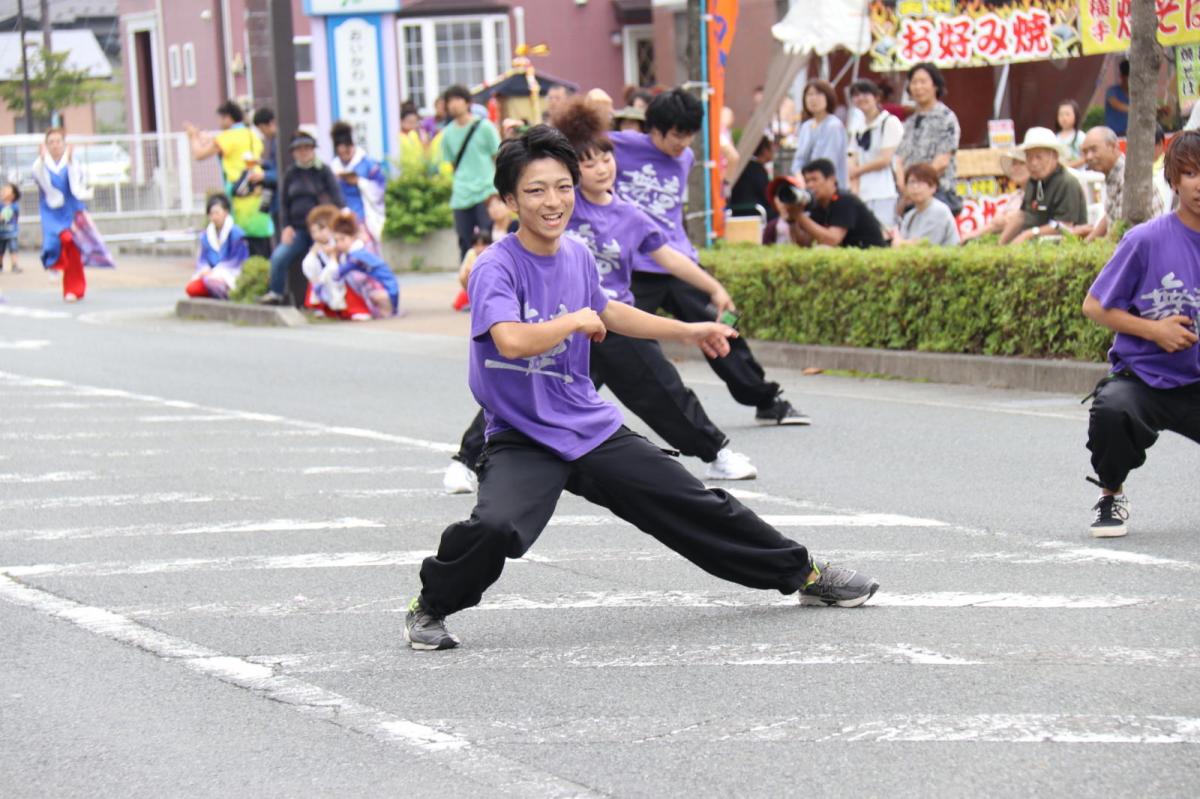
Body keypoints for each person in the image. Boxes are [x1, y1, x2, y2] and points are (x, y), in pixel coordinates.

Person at [404, 125, 880, 651]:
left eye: (563, 186)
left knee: (695, 503)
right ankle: (430, 606)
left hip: (589, 427)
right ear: (510, 198)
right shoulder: (497, 266)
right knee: (495, 528)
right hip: (522, 436)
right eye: (536, 190)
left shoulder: (578, 255)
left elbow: (612, 313)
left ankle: (807, 574)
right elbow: (511, 340)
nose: (553, 201)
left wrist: (690, 330)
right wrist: (574, 321)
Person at [609, 88, 811, 426]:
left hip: (678, 262)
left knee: (724, 326)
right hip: (635, 266)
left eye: (690, 135)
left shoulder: (685, 158)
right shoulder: (619, 146)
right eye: (677, 134)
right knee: (613, 337)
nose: (684, 143)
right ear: (654, 128)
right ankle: (558, 409)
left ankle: (766, 399)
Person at [1080, 129, 1200, 537]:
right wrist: (1154, 331)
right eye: (1190, 173)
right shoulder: (1145, 240)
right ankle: (1111, 494)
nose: (1199, 184)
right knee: (1112, 410)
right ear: (1173, 181)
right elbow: (1094, 305)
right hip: (1144, 381)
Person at [259, 131, 345, 306]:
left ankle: (327, 300)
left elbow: (337, 199)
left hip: (322, 229)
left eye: (307, 148)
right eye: (299, 149)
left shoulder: (323, 171)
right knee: (279, 256)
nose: (304, 152)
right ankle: (276, 292)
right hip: (298, 228)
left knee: (326, 262)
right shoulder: (291, 174)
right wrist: (286, 226)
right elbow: (284, 203)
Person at [31, 128, 113, 302]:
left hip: (71, 209)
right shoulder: (40, 164)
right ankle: (54, 264)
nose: (55, 145)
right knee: (59, 241)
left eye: (58, 141)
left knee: (73, 247)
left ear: (64, 144)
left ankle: (74, 289)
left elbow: (77, 184)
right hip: (52, 212)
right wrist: (41, 159)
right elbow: (39, 179)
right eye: (51, 142)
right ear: (46, 145)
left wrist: (70, 163)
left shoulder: (72, 162)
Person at [185, 101, 274, 258]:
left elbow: (199, 154)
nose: (219, 123)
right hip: (260, 192)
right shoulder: (252, 135)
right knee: (263, 244)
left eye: (221, 118)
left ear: (228, 118)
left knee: (242, 242)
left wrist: (192, 137)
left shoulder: (227, 137)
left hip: (241, 195)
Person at [438, 85, 502, 259]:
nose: (453, 105)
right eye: (449, 101)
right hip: (461, 194)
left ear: (467, 102)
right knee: (465, 242)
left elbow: (498, 156)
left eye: (457, 99)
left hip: (486, 191)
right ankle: (467, 282)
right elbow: (450, 162)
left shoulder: (485, 127)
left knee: (488, 238)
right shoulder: (448, 133)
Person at [1075, 125, 1165, 241]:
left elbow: (1121, 232)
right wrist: (1088, 241)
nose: (1089, 157)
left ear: (1113, 146)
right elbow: (1110, 216)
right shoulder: (1114, 174)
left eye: (1093, 150)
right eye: (1085, 152)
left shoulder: (1129, 179)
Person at [999, 127, 1087, 245]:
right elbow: (1022, 215)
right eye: (1029, 157)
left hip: (1061, 245)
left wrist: (1029, 234)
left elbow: (1064, 225)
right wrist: (1000, 245)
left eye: (1039, 157)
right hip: (1034, 243)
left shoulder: (1067, 183)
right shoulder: (1033, 180)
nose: (1033, 163)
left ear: (1054, 156)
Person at [895, 62, 961, 215]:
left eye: (923, 81)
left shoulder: (946, 118)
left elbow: (942, 161)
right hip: (909, 196)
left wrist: (917, 185)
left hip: (937, 192)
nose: (918, 87)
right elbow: (899, 159)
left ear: (935, 86)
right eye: (914, 82)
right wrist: (905, 187)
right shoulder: (909, 123)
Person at [782, 159, 887, 249]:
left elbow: (832, 239)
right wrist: (792, 220)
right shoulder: (819, 205)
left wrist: (800, 216)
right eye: (807, 181)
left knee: (822, 250)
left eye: (814, 179)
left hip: (869, 253)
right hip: (850, 256)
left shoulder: (845, 200)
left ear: (832, 180)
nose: (810, 185)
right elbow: (805, 243)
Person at [847, 79, 904, 230]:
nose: (861, 98)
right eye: (856, 95)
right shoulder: (857, 127)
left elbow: (885, 159)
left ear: (876, 97)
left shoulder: (889, 122)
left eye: (865, 93)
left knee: (884, 232)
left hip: (884, 191)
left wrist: (857, 170)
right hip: (863, 192)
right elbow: (852, 155)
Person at [329, 209, 400, 319]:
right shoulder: (356, 251)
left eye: (342, 239)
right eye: (336, 240)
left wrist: (333, 262)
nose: (339, 244)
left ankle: (387, 309)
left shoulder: (357, 255)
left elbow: (339, 273)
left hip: (386, 290)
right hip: (385, 288)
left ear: (353, 237)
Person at [329, 121, 388, 251]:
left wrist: (359, 181)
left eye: (347, 151)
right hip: (342, 216)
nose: (344, 156)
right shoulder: (333, 167)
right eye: (341, 153)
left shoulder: (368, 164)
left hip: (364, 215)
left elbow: (381, 189)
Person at [960, 149, 1029, 244]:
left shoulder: (1038, 194)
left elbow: (1004, 222)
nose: (1016, 168)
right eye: (1014, 164)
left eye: (1022, 164)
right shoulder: (1015, 196)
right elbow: (997, 222)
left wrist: (972, 235)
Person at [186, 194, 248, 299]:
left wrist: (217, 271)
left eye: (217, 213)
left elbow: (237, 260)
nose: (214, 217)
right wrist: (205, 269)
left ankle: (228, 294)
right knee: (192, 288)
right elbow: (203, 259)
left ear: (226, 212)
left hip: (230, 273)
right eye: (211, 214)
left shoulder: (236, 234)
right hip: (210, 273)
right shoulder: (206, 236)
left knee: (213, 281)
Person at [789, 80, 849, 188]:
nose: (813, 99)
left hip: (829, 188)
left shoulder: (833, 126)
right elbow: (798, 160)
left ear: (828, 97)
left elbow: (828, 163)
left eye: (818, 94)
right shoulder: (806, 127)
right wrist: (800, 178)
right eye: (809, 94)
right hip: (808, 186)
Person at [893, 163, 960, 247]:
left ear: (933, 187)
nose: (915, 187)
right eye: (911, 182)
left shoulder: (939, 211)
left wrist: (901, 242)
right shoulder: (910, 215)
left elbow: (926, 244)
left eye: (920, 182)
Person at [300, 204, 346, 317]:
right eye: (313, 232)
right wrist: (314, 253)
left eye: (321, 229)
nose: (317, 235)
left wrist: (333, 253)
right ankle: (321, 307)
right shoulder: (317, 247)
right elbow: (309, 267)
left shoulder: (339, 242)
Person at [729, 137, 778, 223]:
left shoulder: (744, 166)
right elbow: (766, 193)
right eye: (771, 148)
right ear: (765, 150)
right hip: (756, 210)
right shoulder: (757, 169)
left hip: (737, 210)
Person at [251, 107, 279, 222]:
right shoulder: (273, 141)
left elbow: (282, 170)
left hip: (279, 198)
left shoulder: (279, 141)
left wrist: (264, 176)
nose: (263, 133)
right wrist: (262, 163)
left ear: (271, 123)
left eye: (262, 129)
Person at [1055, 100, 1086, 169]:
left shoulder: (1080, 136)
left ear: (1076, 116)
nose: (1064, 117)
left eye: (1067, 114)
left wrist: (1067, 166)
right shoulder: (1055, 138)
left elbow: (1085, 158)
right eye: (1061, 114)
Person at [1105, 60, 1130, 137]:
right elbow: (1116, 104)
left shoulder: (1137, 94)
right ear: (1122, 77)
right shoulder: (1112, 91)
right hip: (1114, 135)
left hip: (1131, 134)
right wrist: (1139, 110)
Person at [0, 182, 21, 273]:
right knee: (1, 250)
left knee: (13, 249)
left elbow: (5, 216)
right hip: (1, 232)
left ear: (13, 195)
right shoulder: (1, 205)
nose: (3, 192)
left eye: (6, 190)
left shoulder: (14, 206)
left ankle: (14, 265)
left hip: (12, 232)